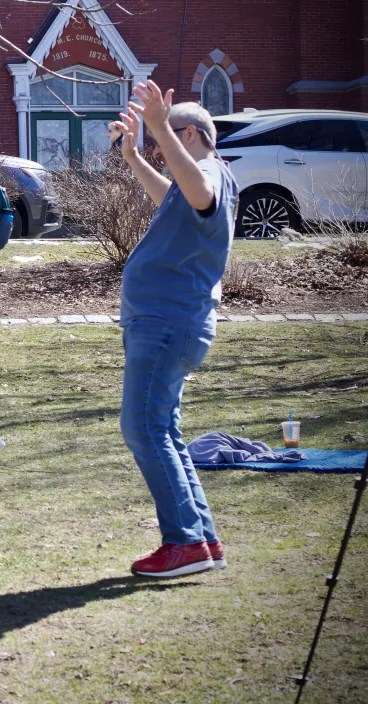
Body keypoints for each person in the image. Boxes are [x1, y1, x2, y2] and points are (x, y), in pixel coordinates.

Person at [115, 80, 237, 578]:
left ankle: (184, 543)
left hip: (167, 322)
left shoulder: (209, 172)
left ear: (190, 135)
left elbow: (198, 194)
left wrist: (159, 129)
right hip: (169, 321)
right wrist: (134, 157)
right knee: (162, 428)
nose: (165, 152)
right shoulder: (201, 179)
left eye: (170, 139)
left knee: (142, 427)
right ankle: (202, 540)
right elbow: (178, 196)